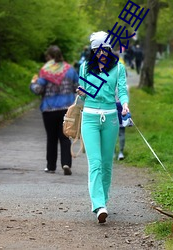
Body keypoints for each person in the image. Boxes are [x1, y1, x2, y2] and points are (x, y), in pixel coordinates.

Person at [76, 31, 129, 223]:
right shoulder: (85, 68)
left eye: (104, 49)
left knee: (107, 164)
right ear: (93, 51)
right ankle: (98, 205)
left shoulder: (118, 68)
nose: (101, 53)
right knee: (95, 163)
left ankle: (103, 201)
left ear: (109, 49)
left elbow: (122, 90)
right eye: (97, 50)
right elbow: (82, 97)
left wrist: (124, 104)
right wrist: (81, 92)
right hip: (89, 117)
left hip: (111, 119)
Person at [30, 45, 79, 175]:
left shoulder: (45, 71)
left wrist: (33, 83)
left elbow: (38, 90)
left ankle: (51, 166)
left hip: (49, 109)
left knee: (51, 138)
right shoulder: (70, 69)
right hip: (66, 109)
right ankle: (66, 163)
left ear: (49, 57)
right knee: (65, 137)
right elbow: (77, 87)